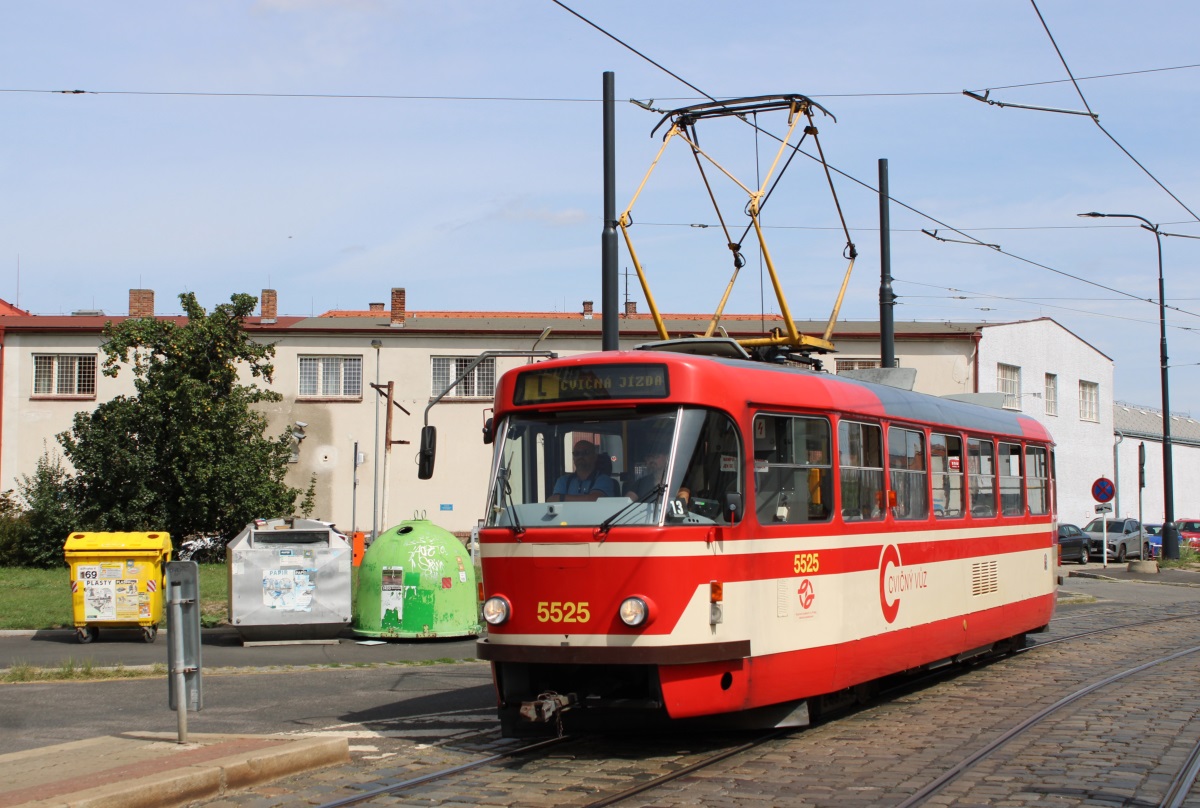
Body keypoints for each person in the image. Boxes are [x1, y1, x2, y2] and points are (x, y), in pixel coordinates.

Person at [550, 440, 617, 501]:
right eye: (576, 453)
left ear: (594, 457)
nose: (580, 456)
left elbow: (594, 499)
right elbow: (552, 500)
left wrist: (561, 498)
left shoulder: (604, 480)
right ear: (573, 458)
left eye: (585, 453)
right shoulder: (563, 481)